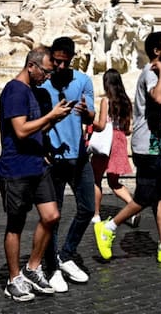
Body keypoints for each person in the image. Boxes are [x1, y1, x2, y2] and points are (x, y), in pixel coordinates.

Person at [94, 32, 161, 264]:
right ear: (156, 51)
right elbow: (158, 98)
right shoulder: (152, 72)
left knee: (160, 193)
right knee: (146, 194)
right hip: (148, 145)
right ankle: (108, 227)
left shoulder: (159, 73)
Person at [0, 48, 72, 302]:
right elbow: (21, 130)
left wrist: (57, 117)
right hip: (16, 167)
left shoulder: (34, 92)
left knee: (52, 216)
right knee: (15, 224)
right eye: (46, 71)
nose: (48, 77)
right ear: (32, 66)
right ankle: (13, 278)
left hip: (37, 165)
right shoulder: (15, 90)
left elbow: (38, 127)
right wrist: (51, 115)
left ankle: (32, 267)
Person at [43, 37, 96, 290]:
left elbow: (93, 117)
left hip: (80, 157)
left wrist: (87, 113)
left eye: (65, 62)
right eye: (56, 62)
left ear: (72, 59)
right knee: (53, 216)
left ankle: (65, 254)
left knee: (87, 208)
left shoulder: (83, 81)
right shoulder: (42, 83)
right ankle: (51, 265)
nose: (60, 67)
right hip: (53, 159)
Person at [91, 69, 135, 215]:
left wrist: (90, 122)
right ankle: (132, 207)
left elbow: (102, 125)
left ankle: (96, 214)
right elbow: (127, 129)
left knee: (96, 178)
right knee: (114, 182)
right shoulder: (126, 101)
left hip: (106, 141)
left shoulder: (106, 101)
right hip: (119, 140)